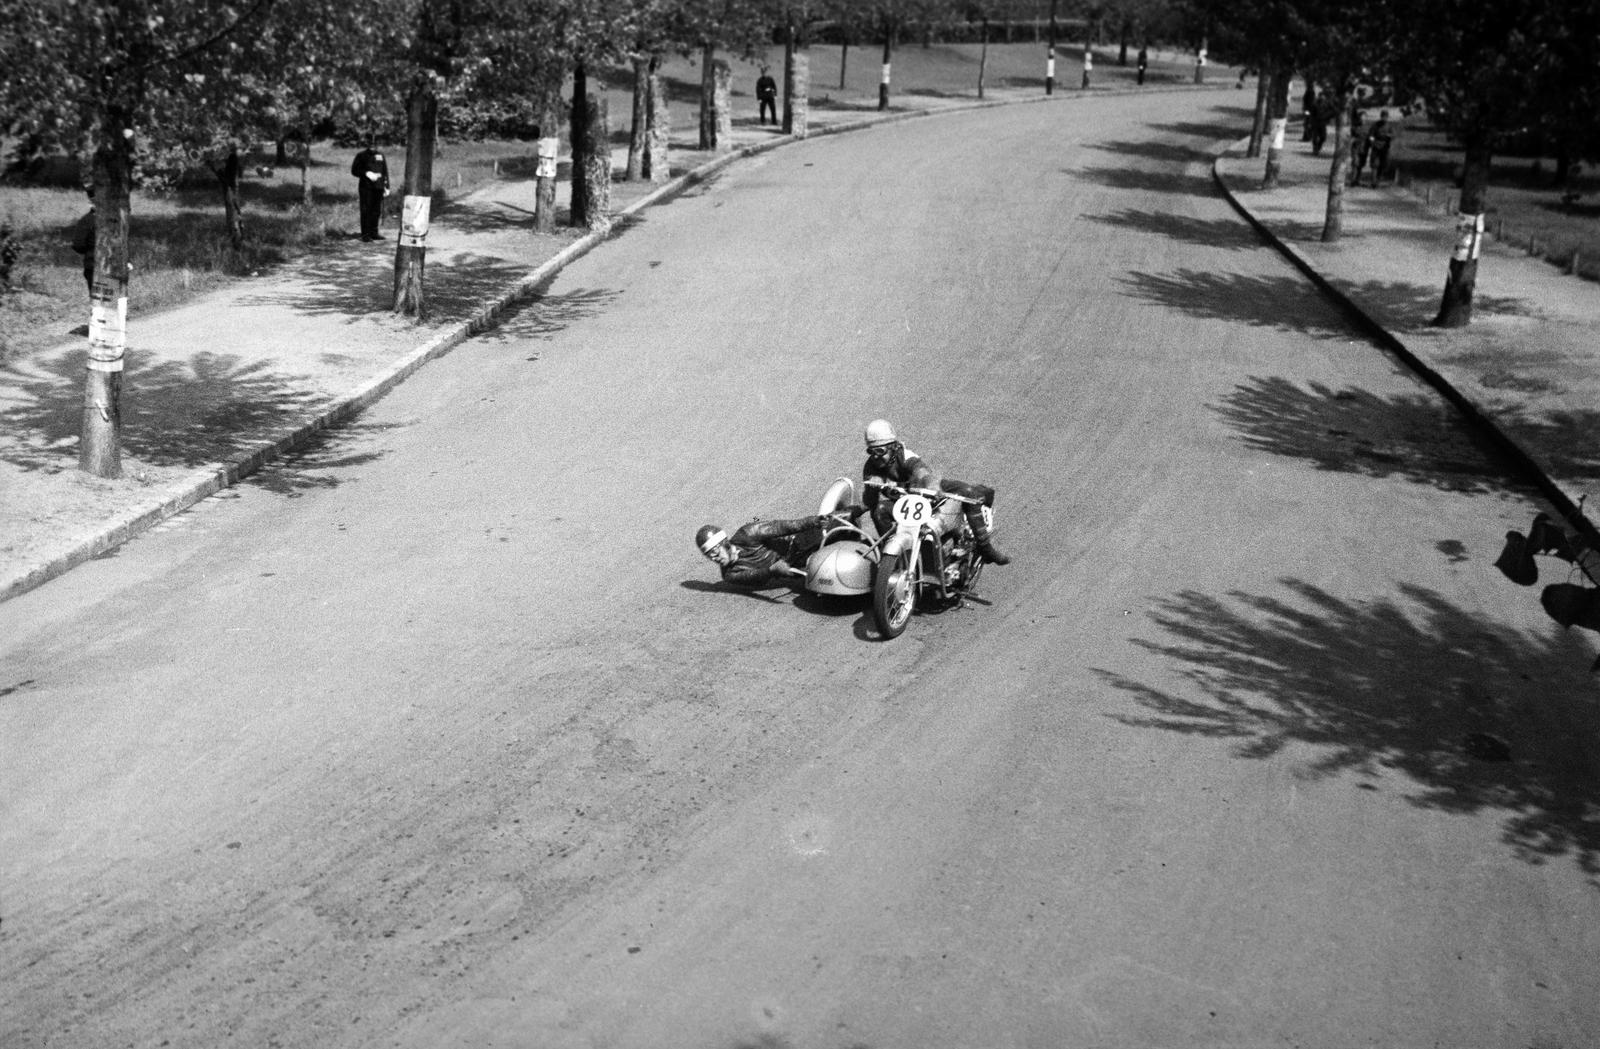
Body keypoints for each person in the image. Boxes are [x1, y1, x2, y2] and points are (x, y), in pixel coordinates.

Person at [860, 419, 1010, 565]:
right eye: (871, 451)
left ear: (892, 447)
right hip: (905, 503)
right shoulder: (871, 468)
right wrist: (862, 500)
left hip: (926, 492)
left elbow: (922, 472)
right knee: (879, 511)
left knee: (968, 491)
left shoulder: (905, 457)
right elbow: (870, 502)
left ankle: (985, 547)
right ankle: (895, 557)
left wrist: (932, 486)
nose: (875, 456)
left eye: (880, 451)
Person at [696, 515, 829, 587]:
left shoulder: (747, 533)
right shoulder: (730, 575)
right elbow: (756, 575)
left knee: (835, 524)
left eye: (715, 552)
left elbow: (782, 527)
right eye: (709, 556)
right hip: (793, 565)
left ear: (724, 543)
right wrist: (772, 570)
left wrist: (813, 521)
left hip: (797, 542)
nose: (714, 558)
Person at [350, 140, 390, 241]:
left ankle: (374, 232)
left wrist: (387, 186)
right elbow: (354, 170)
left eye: (375, 144)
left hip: (379, 187)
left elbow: (385, 171)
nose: (373, 146)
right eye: (371, 144)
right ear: (367, 145)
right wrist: (366, 173)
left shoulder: (381, 155)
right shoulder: (361, 155)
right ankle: (366, 235)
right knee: (366, 210)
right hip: (366, 187)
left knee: (376, 211)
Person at [70, 188, 95, 294]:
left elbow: (78, 244)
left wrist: (90, 250)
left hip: (93, 263)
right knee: (112, 299)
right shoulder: (115, 220)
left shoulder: (86, 220)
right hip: (113, 264)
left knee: (99, 300)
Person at [1367, 111, 1394, 187]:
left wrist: (1389, 136)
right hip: (1376, 147)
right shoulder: (1375, 125)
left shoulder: (1389, 126)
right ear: (1381, 116)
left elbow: (1393, 135)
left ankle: (1378, 180)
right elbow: (1371, 135)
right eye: (1383, 116)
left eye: (1386, 117)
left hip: (1385, 148)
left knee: (1383, 165)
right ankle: (1373, 182)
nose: (1384, 118)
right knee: (1374, 165)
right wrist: (1372, 142)